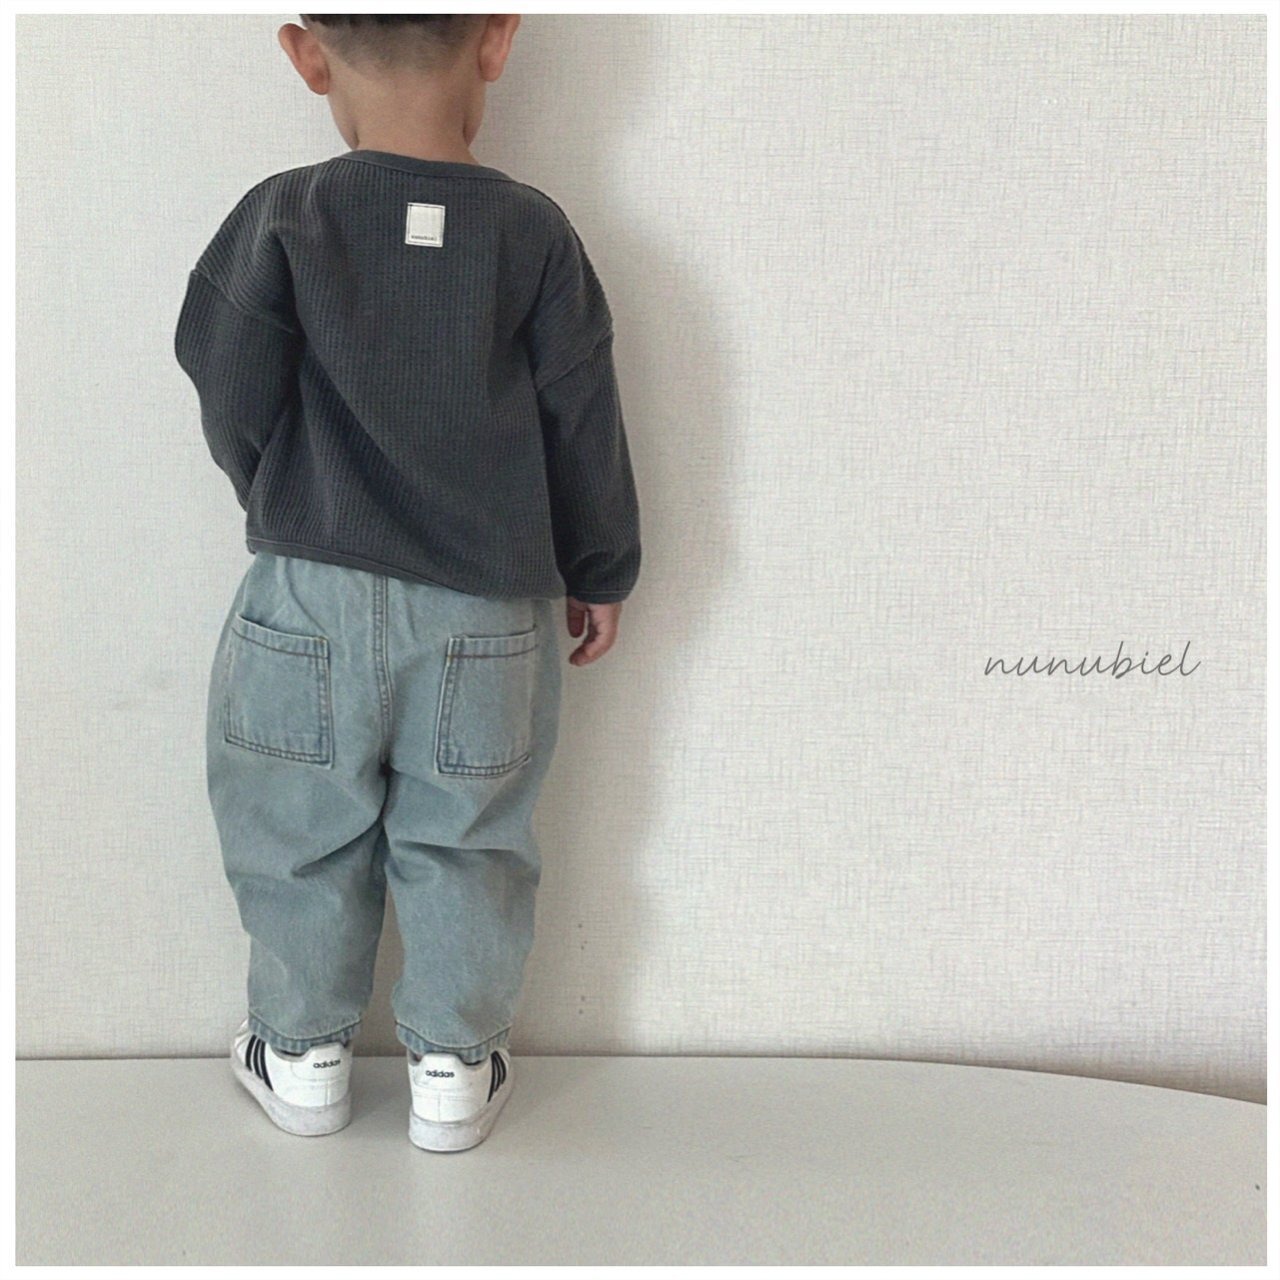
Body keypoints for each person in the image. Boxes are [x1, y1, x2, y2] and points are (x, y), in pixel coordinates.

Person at [174, 13, 641, 1152]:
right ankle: (453, 1067)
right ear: (495, 41)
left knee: (293, 829)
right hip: (488, 610)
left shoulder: (285, 214)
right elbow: (582, 416)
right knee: (468, 838)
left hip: (309, 592)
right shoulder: (532, 233)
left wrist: (281, 487)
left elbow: (224, 376)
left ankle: (300, 1057)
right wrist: (600, 566)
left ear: (307, 54)